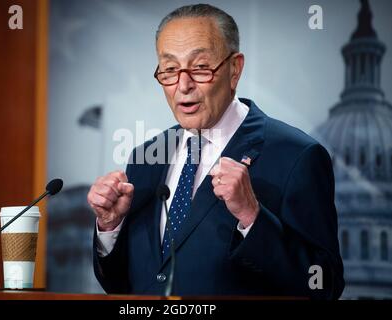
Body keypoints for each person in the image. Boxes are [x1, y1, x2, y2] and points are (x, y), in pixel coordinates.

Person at [87, 4, 344, 299]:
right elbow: (127, 285)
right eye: (170, 69)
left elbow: (325, 285)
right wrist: (110, 227)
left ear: (234, 69)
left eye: (199, 67)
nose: (183, 85)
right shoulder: (145, 157)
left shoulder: (298, 156)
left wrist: (252, 217)